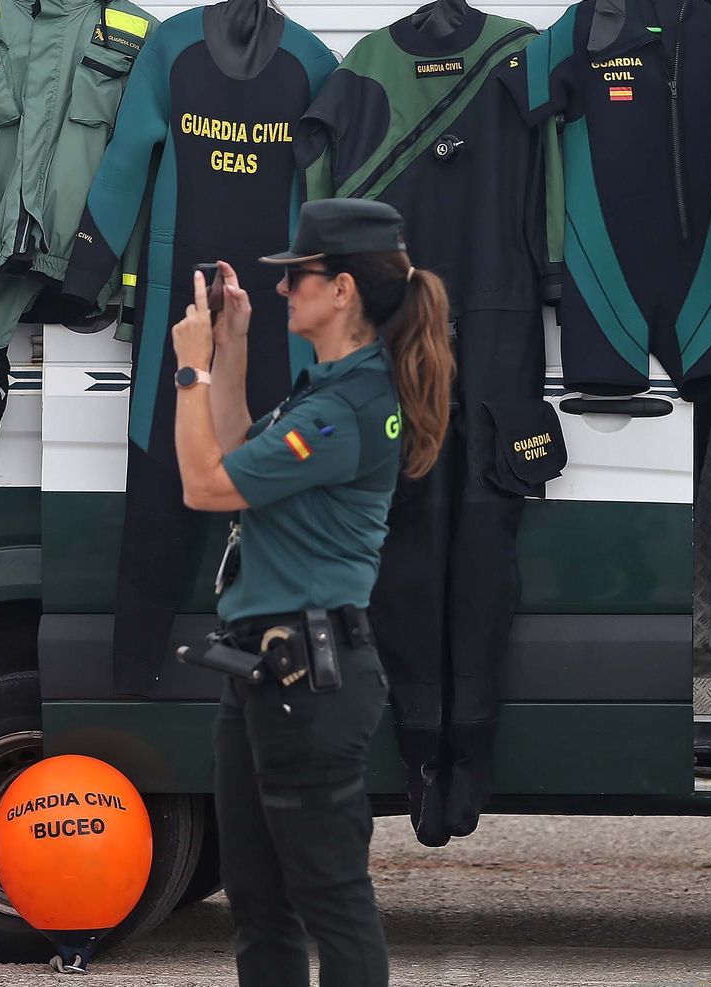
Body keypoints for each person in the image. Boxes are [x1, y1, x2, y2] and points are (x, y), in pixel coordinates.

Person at [170, 197, 453, 987]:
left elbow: (205, 484)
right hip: (264, 671)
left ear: (344, 291)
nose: (286, 287)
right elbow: (233, 448)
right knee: (258, 903)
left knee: (331, 899)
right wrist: (232, 347)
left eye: (298, 276)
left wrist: (190, 367)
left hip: (310, 679)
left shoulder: (347, 409)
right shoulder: (323, 389)